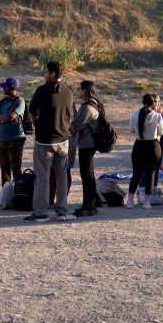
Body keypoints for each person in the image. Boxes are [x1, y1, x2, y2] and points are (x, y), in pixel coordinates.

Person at [24, 62, 75, 222]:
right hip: (63, 139)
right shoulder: (68, 90)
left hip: (45, 140)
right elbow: (71, 111)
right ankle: (62, 210)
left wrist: (43, 115)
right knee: (61, 176)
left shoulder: (42, 90)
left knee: (42, 177)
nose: (44, 75)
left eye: (46, 72)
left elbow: (32, 109)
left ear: (52, 74)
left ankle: (41, 211)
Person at [125, 93, 163, 210]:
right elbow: (161, 132)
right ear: (154, 103)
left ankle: (130, 201)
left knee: (136, 174)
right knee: (151, 174)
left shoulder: (135, 114)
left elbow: (131, 129)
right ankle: (147, 201)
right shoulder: (157, 116)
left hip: (139, 145)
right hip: (153, 146)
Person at [69, 80, 101, 217]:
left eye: (79, 89)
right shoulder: (94, 104)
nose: (78, 91)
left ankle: (89, 205)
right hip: (89, 143)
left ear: (85, 90)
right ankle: (91, 203)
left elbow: (75, 125)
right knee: (88, 174)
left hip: (87, 144)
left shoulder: (88, 107)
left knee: (87, 175)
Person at [0, 77, 26, 187]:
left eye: (5, 87)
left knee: (16, 169)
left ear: (13, 88)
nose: (3, 89)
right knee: (4, 170)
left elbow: (10, 117)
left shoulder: (19, 101)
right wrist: (2, 117)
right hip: (2, 140)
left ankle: (18, 195)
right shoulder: (2, 101)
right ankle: (5, 196)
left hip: (15, 140)